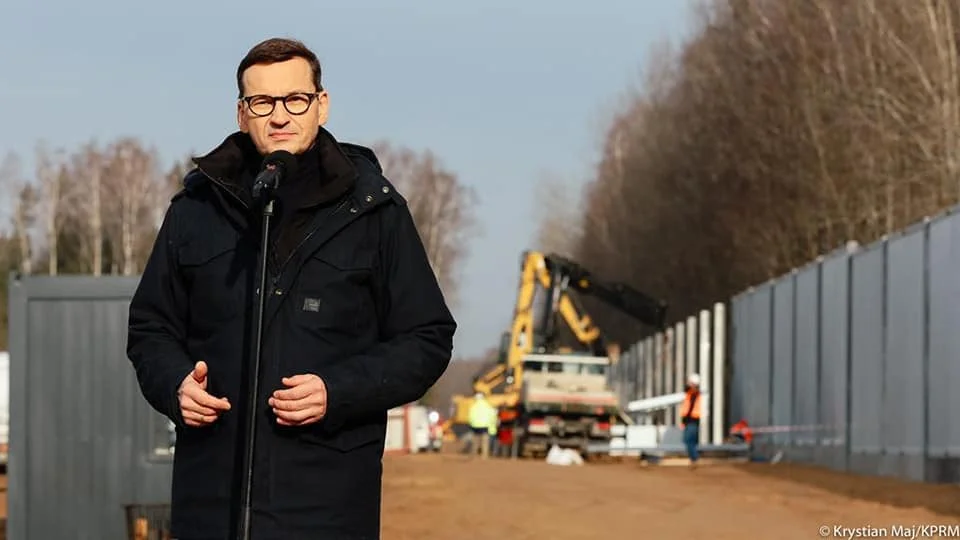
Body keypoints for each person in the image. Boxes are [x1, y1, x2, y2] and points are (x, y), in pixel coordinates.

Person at [126, 37, 456, 539]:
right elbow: (151, 327)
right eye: (262, 102)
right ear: (242, 113)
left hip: (327, 508)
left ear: (321, 104)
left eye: (295, 99)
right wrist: (175, 384)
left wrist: (337, 392)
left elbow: (427, 338)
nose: (279, 115)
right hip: (210, 505)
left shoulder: (374, 211)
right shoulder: (195, 210)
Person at [680, 373, 702, 468]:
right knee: (690, 440)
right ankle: (693, 458)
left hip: (692, 420)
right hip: (691, 420)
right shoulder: (690, 393)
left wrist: (684, 421)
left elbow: (689, 409)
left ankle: (694, 458)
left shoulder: (694, 394)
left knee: (689, 440)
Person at [467, 393, 496, 459]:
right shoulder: (487, 406)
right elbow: (492, 416)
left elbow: (470, 417)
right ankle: (484, 455)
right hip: (485, 426)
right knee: (485, 441)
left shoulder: (473, 406)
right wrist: (492, 426)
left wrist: (471, 424)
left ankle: (474, 455)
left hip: (475, 426)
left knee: (475, 441)